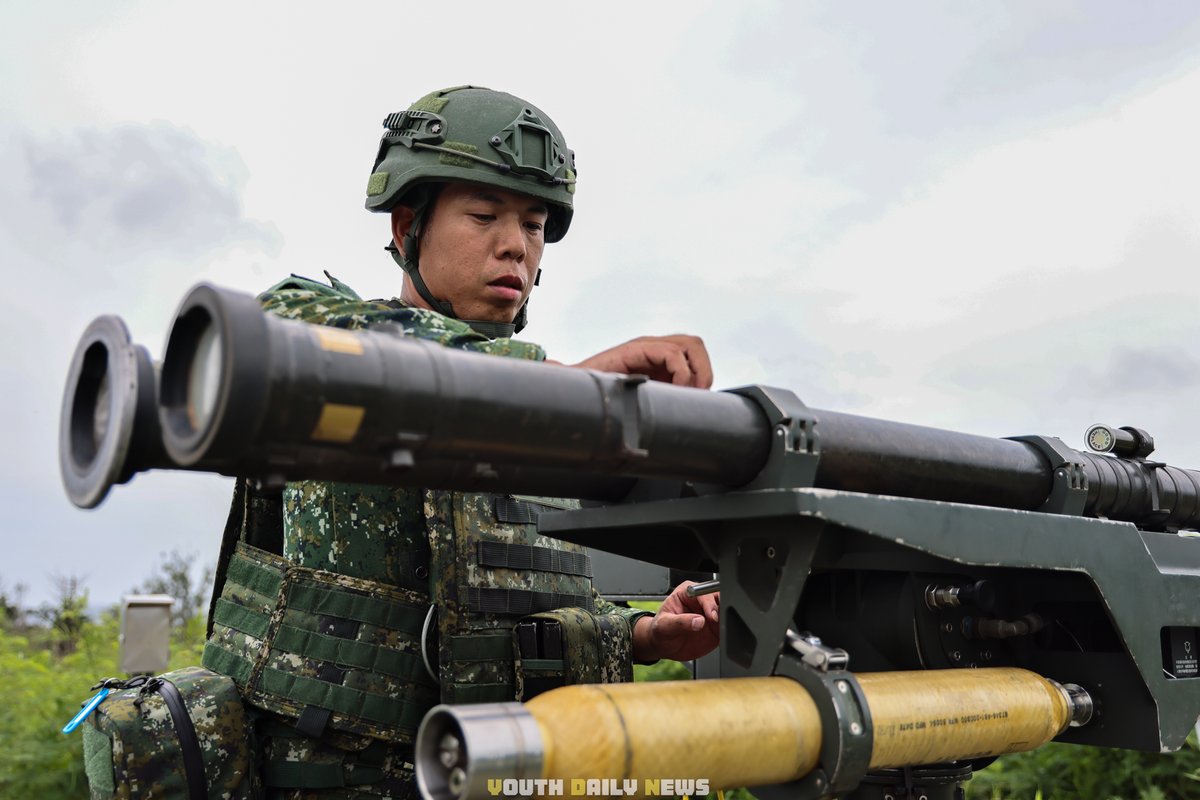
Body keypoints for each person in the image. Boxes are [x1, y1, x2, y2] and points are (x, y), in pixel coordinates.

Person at [201, 86, 720, 799]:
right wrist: (569, 384)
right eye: (484, 217)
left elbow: (516, 612)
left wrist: (643, 637)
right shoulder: (328, 343)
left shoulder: (557, 410)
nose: (516, 245)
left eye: (535, 225)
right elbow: (278, 330)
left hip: (503, 773)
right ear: (409, 224)